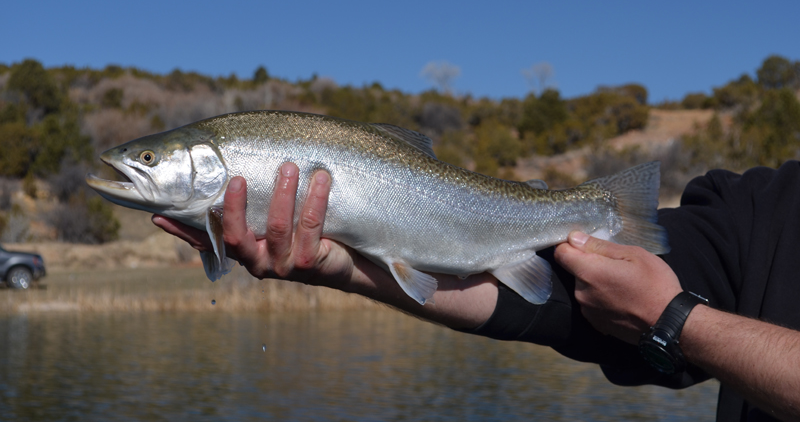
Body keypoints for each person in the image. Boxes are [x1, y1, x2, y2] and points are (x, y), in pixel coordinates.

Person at [153, 161, 800, 422]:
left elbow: (658, 306)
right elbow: (551, 308)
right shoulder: (764, 207)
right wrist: (347, 268)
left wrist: (679, 322)